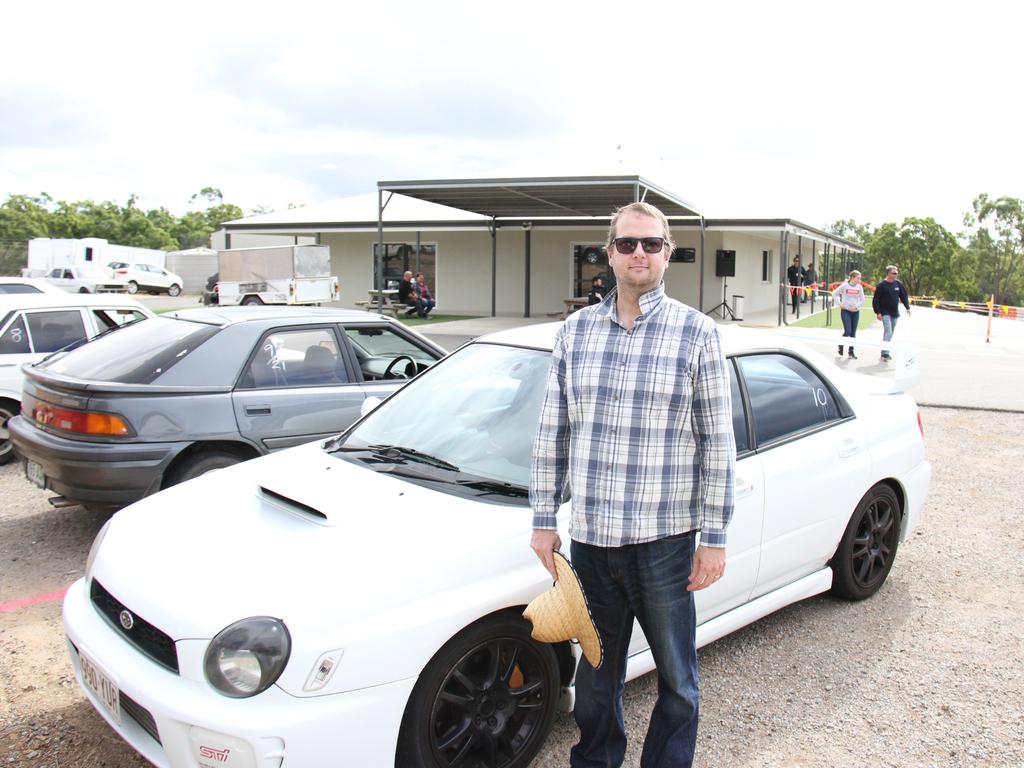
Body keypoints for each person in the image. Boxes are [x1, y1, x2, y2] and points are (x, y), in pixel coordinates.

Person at [530, 201, 735, 768]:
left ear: (668, 252)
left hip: (665, 545)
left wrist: (714, 537)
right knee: (596, 681)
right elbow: (554, 432)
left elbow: (718, 442)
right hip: (593, 544)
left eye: (650, 244)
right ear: (610, 252)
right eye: (627, 244)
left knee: (678, 681)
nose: (638, 253)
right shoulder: (575, 333)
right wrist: (544, 520)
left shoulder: (697, 334)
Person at [872, 265, 911, 361]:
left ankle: (884, 352)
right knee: (888, 331)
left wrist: (907, 307)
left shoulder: (898, 284)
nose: (896, 275)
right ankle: (885, 353)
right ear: (888, 273)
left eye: (896, 273)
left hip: (894, 313)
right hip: (885, 312)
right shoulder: (881, 285)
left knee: (891, 332)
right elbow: (876, 299)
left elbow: (903, 296)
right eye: (894, 273)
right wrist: (878, 312)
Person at [832, 269, 865, 359]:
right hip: (846, 311)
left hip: (855, 312)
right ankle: (841, 344)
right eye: (858, 278)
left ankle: (851, 352)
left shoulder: (859, 287)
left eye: (860, 278)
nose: (859, 280)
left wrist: (856, 306)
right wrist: (839, 304)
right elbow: (834, 294)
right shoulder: (845, 286)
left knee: (853, 333)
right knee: (848, 331)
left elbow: (862, 299)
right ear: (853, 277)